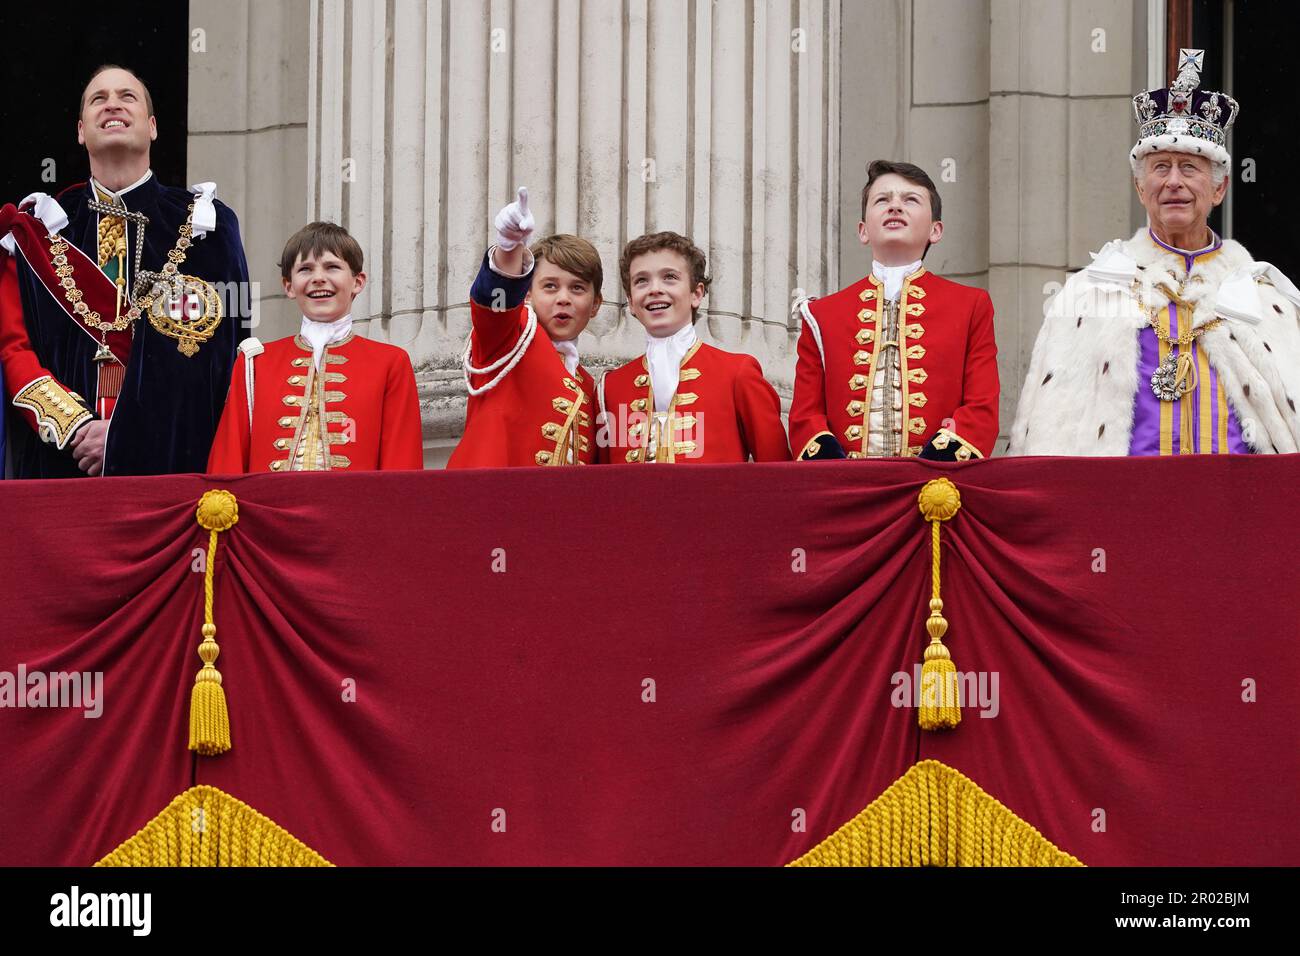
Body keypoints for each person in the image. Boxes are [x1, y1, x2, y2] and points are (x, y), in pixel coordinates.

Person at [1011, 49, 1300, 455]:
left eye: (1190, 167)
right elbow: (1051, 432)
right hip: (1126, 505)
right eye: (1160, 167)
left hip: (1239, 505)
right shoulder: (1089, 294)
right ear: (1140, 188)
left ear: (1219, 188)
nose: (1174, 182)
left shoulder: (1266, 298)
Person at [0, 64, 250, 477]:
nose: (112, 104)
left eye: (127, 96)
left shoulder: (208, 226)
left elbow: (221, 363)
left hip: (172, 469)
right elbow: (14, 349)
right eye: (98, 98)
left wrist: (124, 437)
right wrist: (76, 428)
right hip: (61, 468)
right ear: (81, 130)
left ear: (152, 126)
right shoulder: (38, 231)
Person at [789, 160, 999, 462]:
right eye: (882, 200)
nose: (895, 207)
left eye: (910, 200)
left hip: (936, 487)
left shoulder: (971, 306)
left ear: (935, 230)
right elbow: (805, 416)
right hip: (844, 489)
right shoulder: (820, 315)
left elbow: (981, 408)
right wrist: (833, 471)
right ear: (863, 231)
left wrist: (930, 468)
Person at [207, 222, 423, 472]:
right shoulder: (255, 362)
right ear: (288, 286)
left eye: (332, 267)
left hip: (353, 510)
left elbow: (401, 460)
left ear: (357, 282)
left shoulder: (390, 362)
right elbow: (228, 457)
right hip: (269, 509)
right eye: (305, 269)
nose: (319, 278)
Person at [597, 231, 790, 464]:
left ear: (696, 294)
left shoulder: (737, 372)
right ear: (630, 302)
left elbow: (776, 470)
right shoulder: (612, 386)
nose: (654, 289)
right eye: (641, 281)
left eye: (669, 277)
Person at [447, 188, 603, 468]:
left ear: (595, 304)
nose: (563, 298)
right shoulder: (509, 336)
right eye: (550, 286)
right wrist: (509, 249)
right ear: (527, 294)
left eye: (577, 288)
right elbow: (496, 303)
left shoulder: (590, 386)